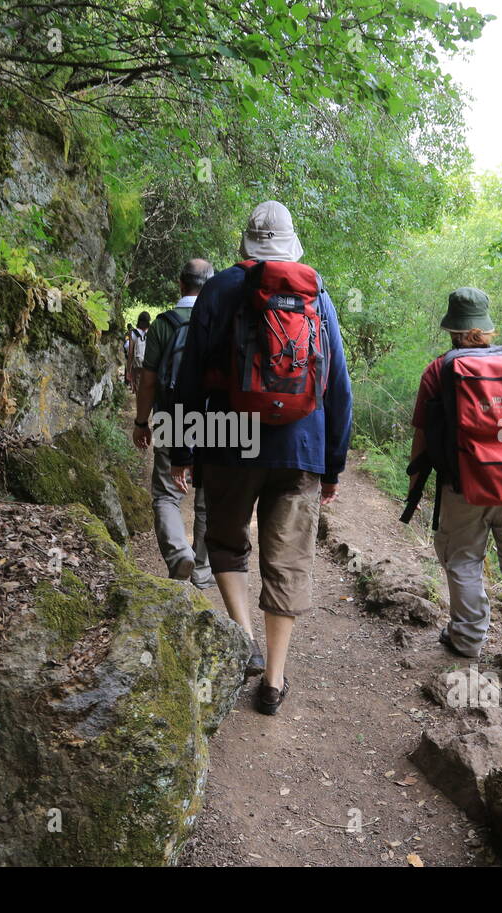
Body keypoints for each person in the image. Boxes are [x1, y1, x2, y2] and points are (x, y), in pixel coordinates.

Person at [170, 200, 353, 715]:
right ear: (292, 245)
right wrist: (332, 464)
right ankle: (273, 680)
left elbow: (188, 378)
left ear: (245, 242)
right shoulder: (317, 294)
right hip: (301, 447)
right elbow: (339, 388)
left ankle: (243, 637)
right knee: (288, 558)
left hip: (229, 440)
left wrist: (181, 449)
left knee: (225, 540)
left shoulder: (218, 290)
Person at [408, 287, 502, 673]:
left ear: (452, 329)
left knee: (463, 558)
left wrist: (414, 489)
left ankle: (468, 638)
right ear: (487, 326)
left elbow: (423, 436)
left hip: (465, 484)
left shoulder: (440, 369)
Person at [132, 259, 216, 590]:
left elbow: (149, 381)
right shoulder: (222, 321)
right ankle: (202, 569)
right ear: (211, 286)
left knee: (167, 495)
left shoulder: (164, 325)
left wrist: (142, 422)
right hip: (219, 420)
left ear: (181, 285)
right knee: (208, 499)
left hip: (171, 417)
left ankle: (179, 553)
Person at [125, 312, 150, 390]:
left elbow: (130, 353)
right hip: (149, 363)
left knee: (138, 386)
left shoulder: (133, 332)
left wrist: (128, 369)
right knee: (147, 387)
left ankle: (139, 400)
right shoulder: (151, 331)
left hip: (138, 364)